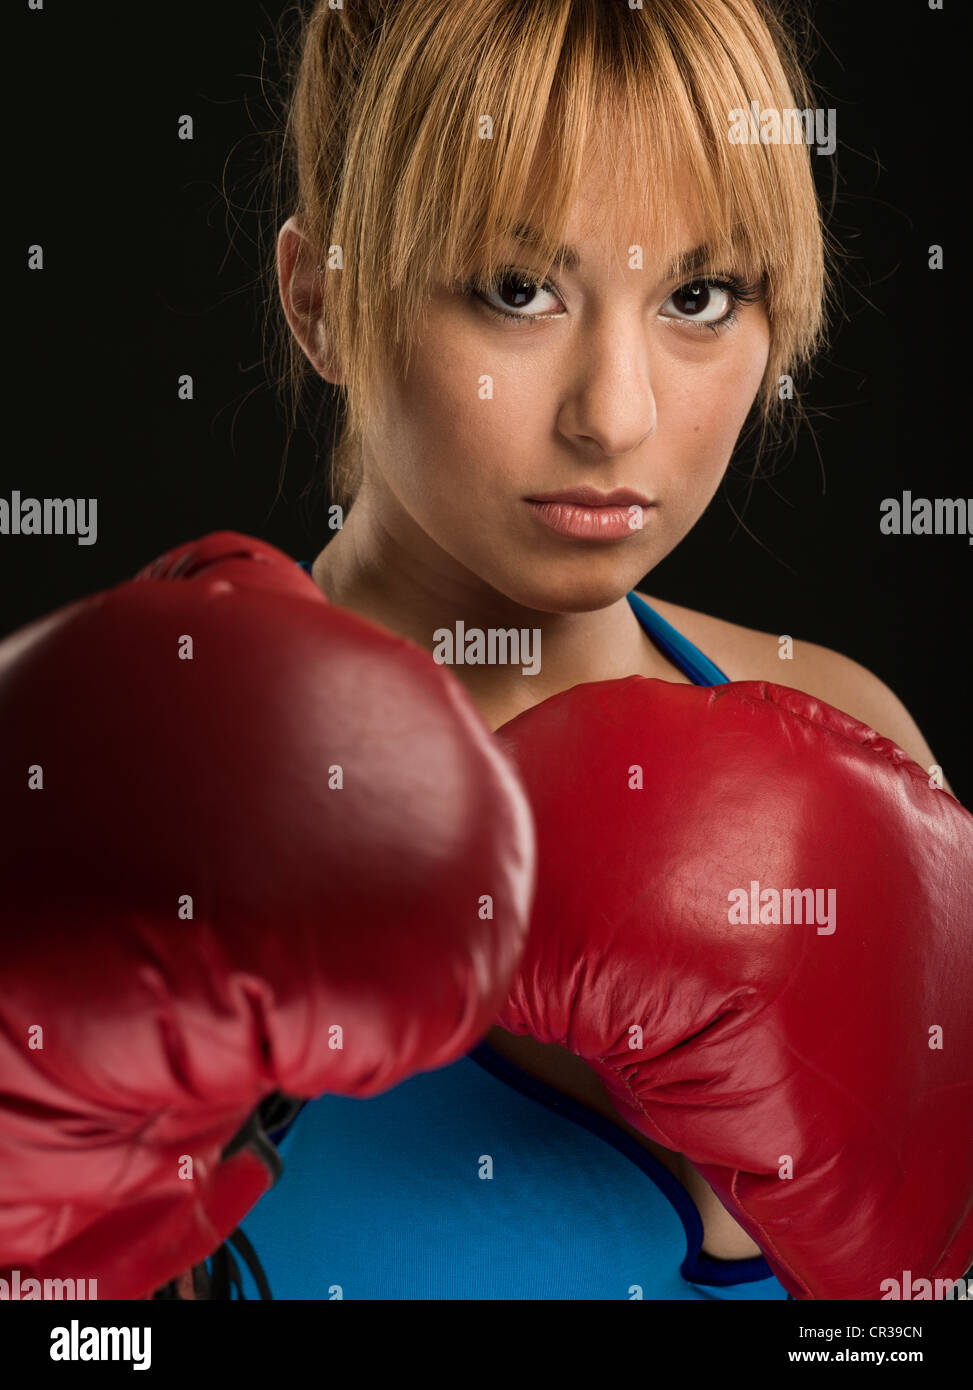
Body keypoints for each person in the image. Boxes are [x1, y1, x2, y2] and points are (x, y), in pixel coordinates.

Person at [211, 0, 959, 1300]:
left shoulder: (845, 725)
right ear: (318, 302)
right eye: (517, 290)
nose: (616, 414)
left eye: (697, 295)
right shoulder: (136, 805)